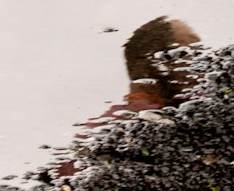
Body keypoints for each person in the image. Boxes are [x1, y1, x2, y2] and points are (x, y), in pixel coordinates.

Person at [52, 17, 201, 180]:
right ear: (160, 62)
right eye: (193, 52)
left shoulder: (103, 132)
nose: (205, 62)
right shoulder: (107, 134)